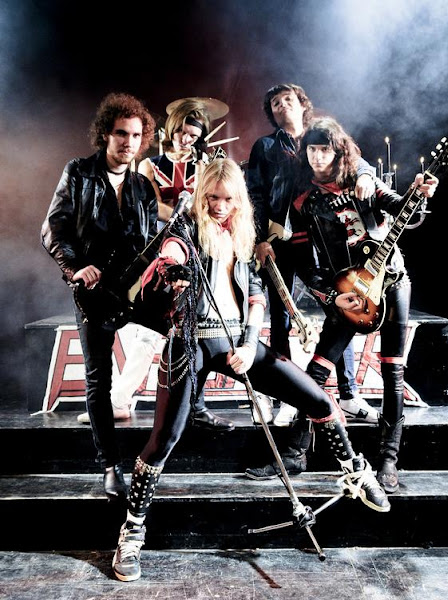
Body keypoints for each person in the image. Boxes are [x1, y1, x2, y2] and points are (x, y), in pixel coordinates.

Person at [111, 158, 390, 582]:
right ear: (202, 195)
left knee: (316, 398)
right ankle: (131, 532)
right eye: (212, 197)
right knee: (163, 439)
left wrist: (247, 342)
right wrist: (173, 270)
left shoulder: (241, 232)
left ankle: (355, 469)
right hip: (190, 343)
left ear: (238, 199)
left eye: (228, 199)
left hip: (238, 342)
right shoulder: (186, 228)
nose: (219, 206)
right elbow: (170, 255)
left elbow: (256, 289)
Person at [257, 116, 439, 494]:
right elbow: (305, 263)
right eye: (312, 148)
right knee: (316, 371)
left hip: (390, 282)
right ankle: (294, 452)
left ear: (338, 151)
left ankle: (388, 459)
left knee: (392, 371)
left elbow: (402, 208)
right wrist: (331, 295)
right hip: (346, 291)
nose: (317, 156)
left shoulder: (362, 181)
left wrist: (420, 193)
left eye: (324, 149)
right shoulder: (304, 198)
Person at [76, 97, 234, 431]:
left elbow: (219, 201)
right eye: (181, 132)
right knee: (149, 330)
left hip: (198, 250)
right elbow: (149, 207)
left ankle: (190, 406)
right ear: (170, 129)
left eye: (193, 135)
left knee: (193, 329)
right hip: (159, 251)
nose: (186, 139)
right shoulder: (149, 166)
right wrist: (183, 213)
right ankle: (122, 401)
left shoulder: (206, 165)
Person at [245, 83, 378, 477]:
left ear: (302, 104)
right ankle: (285, 395)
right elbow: (254, 193)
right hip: (278, 240)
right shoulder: (264, 147)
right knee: (280, 318)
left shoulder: (321, 135)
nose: (281, 105)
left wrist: (366, 175)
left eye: (287, 99)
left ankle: (349, 392)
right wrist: (259, 238)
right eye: (274, 102)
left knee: (341, 314)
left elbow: (356, 161)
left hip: (321, 240)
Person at [41, 93, 158, 500]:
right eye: (121, 133)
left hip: (134, 288)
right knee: (98, 378)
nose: (129, 142)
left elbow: (149, 244)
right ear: (106, 134)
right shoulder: (79, 172)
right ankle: (110, 465)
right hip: (94, 290)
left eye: (136, 135)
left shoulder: (143, 186)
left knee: (184, 336)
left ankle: (183, 424)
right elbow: (54, 228)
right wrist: (75, 268)